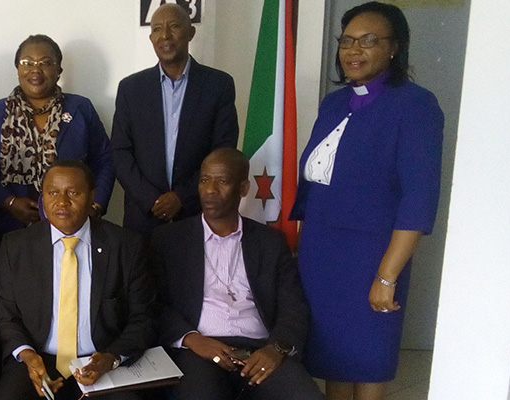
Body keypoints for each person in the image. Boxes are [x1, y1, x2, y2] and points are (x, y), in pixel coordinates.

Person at [289, 3, 444, 399]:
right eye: (347, 41)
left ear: (394, 48)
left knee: (370, 356)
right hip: (321, 254)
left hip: (372, 256)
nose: (353, 50)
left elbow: (419, 199)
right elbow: (317, 182)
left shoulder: (415, 105)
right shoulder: (334, 103)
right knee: (331, 355)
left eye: (369, 41)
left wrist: (387, 276)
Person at [149, 148, 324, 400]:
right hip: (200, 351)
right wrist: (192, 339)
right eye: (204, 180)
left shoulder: (270, 242)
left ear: (243, 188)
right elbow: (155, 304)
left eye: (222, 181)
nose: (210, 190)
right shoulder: (169, 240)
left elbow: (293, 306)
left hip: (260, 350)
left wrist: (276, 349)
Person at [0, 159, 154, 400]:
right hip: (38, 358)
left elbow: (143, 318)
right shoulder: (15, 246)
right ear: (42, 196)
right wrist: (27, 355)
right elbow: (6, 315)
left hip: (103, 359)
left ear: (92, 196)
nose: (62, 202)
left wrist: (111, 358)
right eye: (53, 192)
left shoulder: (126, 246)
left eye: (73, 193)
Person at [110, 3, 239, 238]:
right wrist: (152, 200)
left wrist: (181, 197)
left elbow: (223, 150)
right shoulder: (131, 88)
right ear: (151, 38)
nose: (165, 35)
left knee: (192, 275)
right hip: (143, 217)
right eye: (157, 29)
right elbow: (120, 153)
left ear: (190, 33)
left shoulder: (218, 86)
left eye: (174, 26)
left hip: (197, 212)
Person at [0, 34, 114, 234]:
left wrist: (95, 206)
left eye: (45, 63)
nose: (35, 70)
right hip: (6, 225)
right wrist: (10, 202)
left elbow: (104, 160)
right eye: (27, 62)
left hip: (72, 224)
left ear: (59, 71)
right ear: (17, 69)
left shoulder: (81, 108)